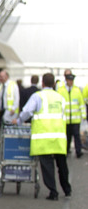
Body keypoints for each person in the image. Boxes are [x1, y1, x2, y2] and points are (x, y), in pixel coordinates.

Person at [12, 73, 71, 201]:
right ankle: (67, 190)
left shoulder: (38, 96)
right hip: (59, 136)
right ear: (54, 84)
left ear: (42, 83)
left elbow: (27, 111)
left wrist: (19, 121)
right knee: (62, 165)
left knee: (47, 165)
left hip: (43, 137)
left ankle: (53, 192)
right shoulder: (60, 98)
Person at [56, 71, 86, 158]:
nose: (71, 82)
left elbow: (81, 104)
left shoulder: (76, 90)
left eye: (72, 80)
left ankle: (78, 151)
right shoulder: (61, 90)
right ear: (66, 80)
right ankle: (66, 150)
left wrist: (83, 115)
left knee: (76, 135)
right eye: (69, 80)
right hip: (65, 119)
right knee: (66, 136)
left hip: (75, 119)